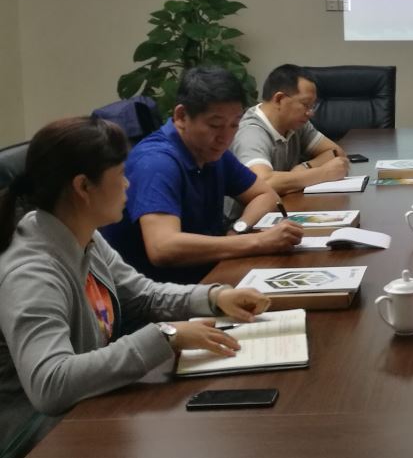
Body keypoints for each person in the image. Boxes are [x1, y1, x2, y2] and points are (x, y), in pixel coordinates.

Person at [0, 117, 272, 454]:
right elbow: (50, 384)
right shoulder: (31, 271)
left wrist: (215, 297)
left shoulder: (82, 233)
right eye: (120, 175)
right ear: (83, 187)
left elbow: (144, 295)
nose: (128, 184)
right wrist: (167, 336)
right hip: (36, 435)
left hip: (87, 406)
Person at [103, 67, 303, 284]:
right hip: (158, 293)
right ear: (181, 116)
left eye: (234, 124)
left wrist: (238, 230)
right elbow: (162, 248)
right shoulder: (157, 163)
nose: (226, 137)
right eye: (215, 125)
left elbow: (266, 195)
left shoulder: (212, 151)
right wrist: (258, 242)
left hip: (205, 276)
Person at [231, 64, 348, 195]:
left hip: (285, 202)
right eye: (306, 104)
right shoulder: (251, 133)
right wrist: (323, 173)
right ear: (279, 99)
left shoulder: (296, 123)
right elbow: (261, 183)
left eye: (312, 106)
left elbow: (336, 152)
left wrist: (305, 167)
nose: (310, 113)